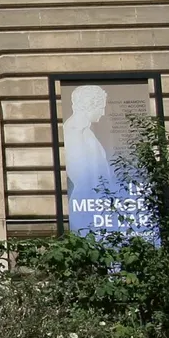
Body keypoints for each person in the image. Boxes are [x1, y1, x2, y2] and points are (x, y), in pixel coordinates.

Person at [64, 84, 119, 235]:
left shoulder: (84, 131)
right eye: (101, 107)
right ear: (90, 105)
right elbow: (81, 177)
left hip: (96, 203)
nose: (103, 112)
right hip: (87, 206)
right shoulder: (74, 132)